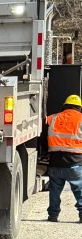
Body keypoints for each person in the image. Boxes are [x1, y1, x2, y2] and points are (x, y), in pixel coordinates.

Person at [45, 94, 82, 222]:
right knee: (79, 191)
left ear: (65, 106)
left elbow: (43, 129)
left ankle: (53, 215)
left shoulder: (53, 118)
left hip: (55, 162)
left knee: (54, 191)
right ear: (79, 108)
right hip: (75, 164)